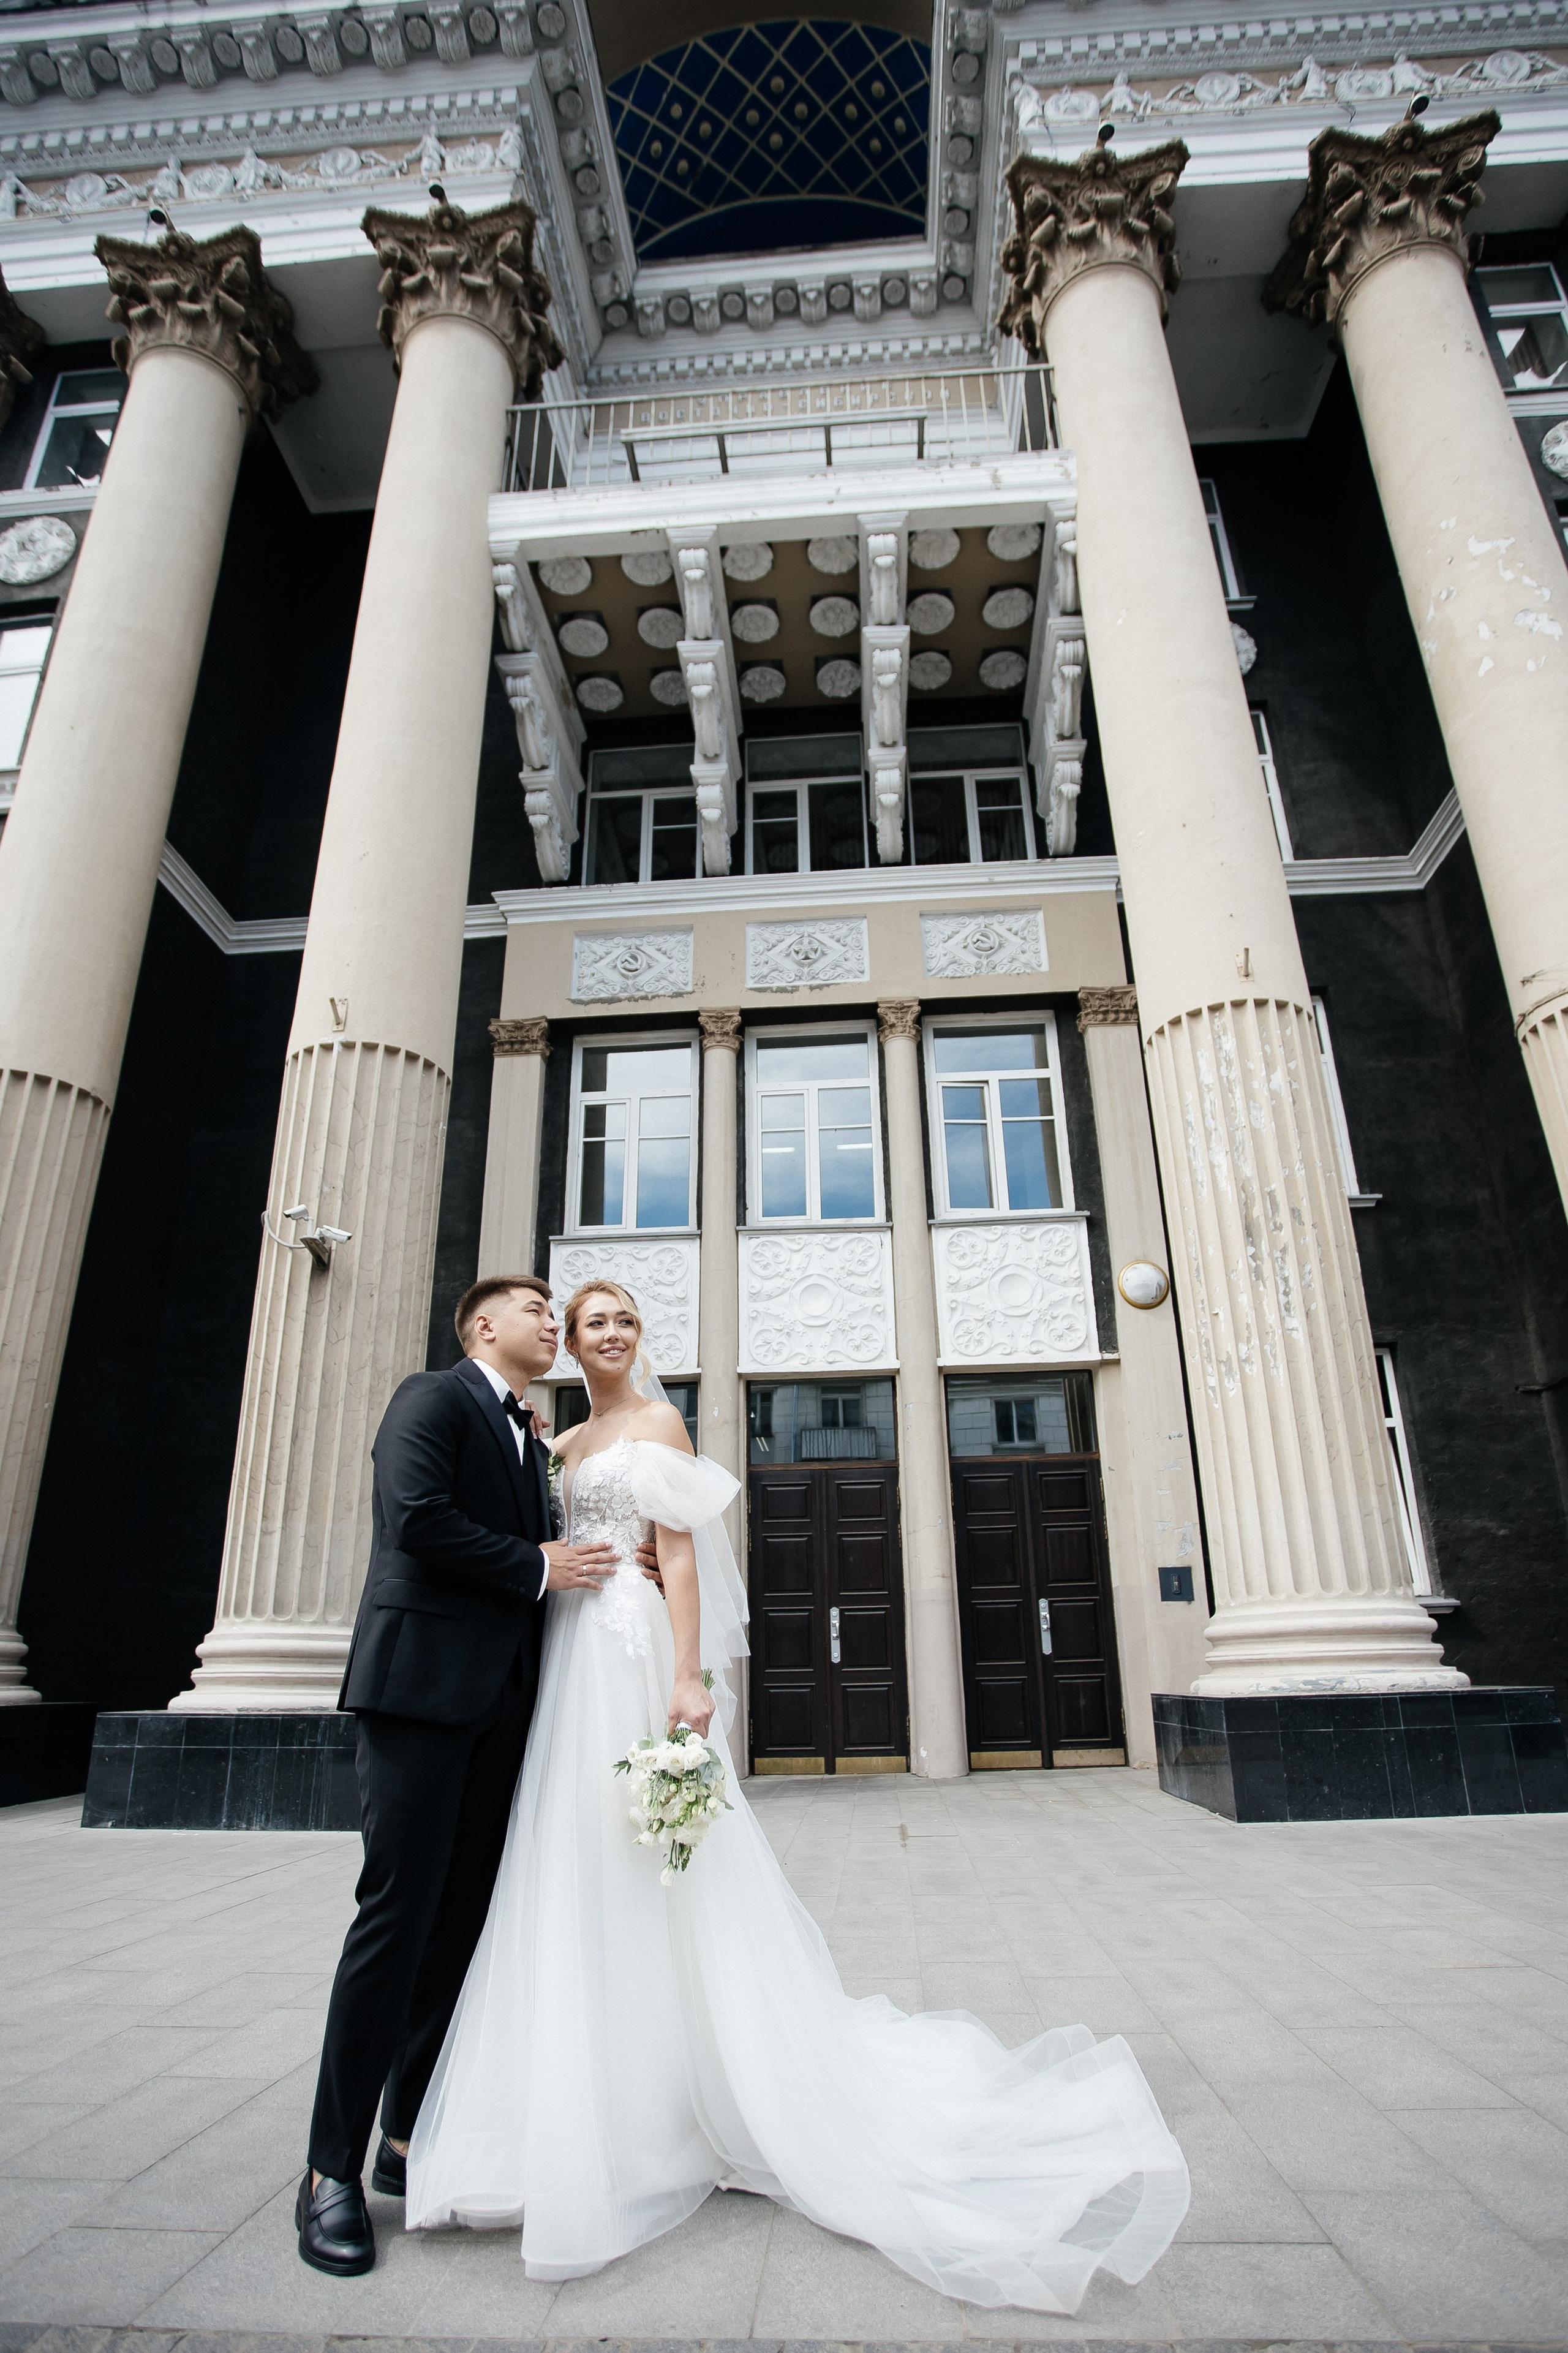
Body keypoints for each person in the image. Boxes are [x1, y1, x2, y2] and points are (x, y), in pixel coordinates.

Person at [406, 1279, 1191, 2316]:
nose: (601, 1333)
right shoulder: (558, 1444)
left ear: (638, 1339)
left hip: (636, 1645)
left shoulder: (658, 1420)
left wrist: (688, 1676)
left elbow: (678, 1554)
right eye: (588, 1321)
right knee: (577, 1854)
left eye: (620, 1322)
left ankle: (699, 2093)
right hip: (568, 1651)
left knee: (664, 1859)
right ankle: (594, 2086)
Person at [296, 1274, 623, 2278]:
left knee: (461, 1926)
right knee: (396, 1920)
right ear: (486, 1325)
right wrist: (540, 1564)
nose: (552, 1321)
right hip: (421, 1693)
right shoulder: (429, 1398)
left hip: (504, 1710)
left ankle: (405, 2138)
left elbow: (565, 1550)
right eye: (539, 1309)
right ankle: (327, 2173)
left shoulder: (532, 1432)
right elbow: (417, 1516)